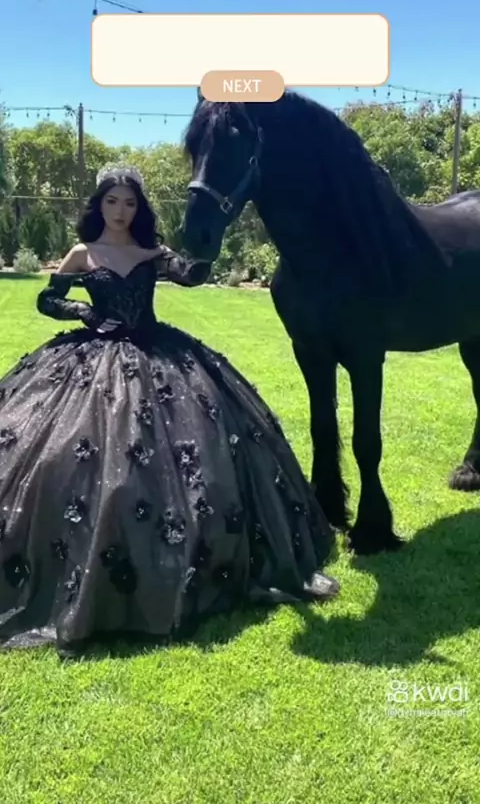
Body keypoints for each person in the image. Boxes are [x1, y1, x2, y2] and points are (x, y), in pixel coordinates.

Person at [0, 164, 339, 655]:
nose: (120, 211)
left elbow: (192, 276)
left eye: (129, 202)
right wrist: (84, 311)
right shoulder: (83, 252)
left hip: (158, 353)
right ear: (99, 205)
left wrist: (204, 241)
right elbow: (47, 300)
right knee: (67, 454)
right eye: (112, 201)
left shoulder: (152, 253)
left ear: (139, 208)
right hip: (94, 358)